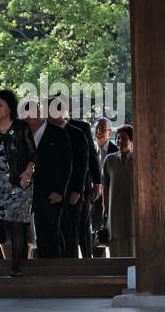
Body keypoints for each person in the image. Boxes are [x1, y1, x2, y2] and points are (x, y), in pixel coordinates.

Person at [0, 89, 36, 278]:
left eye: (0, 105)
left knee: (16, 225)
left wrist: (28, 173)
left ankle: (16, 265)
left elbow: (32, 154)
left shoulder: (21, 127)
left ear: (10, 107)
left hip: (18, 183)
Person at [54, 97, 101, 258]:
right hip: (59, 186)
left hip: (82, 185)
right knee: (66, 227)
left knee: (82, 225)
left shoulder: (81, 127)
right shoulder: (48, 128)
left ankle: (88, 258)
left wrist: (98, 182)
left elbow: (91, 157)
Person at [29, 96, 74, 259]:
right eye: (24, 116)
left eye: (30, 115)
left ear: (39, 113)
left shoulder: (57, 133)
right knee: (35, 234)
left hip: (52, 192)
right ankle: (39, 271)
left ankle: (56, 270)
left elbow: (66, 165)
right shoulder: (24, 135)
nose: (27, 119)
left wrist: (61, 191)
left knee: (50, 231)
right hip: (28, 193)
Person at [103, 125, 135, 256]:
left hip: (133, 208)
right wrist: (105, 208)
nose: (120, 141)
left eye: (124, 138)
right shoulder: (109, 160)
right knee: (115, 240)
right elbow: (105, 186)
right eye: (117, 138)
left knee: (133, 239)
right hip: (114, 210)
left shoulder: (138, 159)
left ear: (132, 141)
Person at [90, 116, 118, 253]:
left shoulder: (116, 151)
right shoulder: (90, 150)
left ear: (110, 132)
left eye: (102, 129)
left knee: (112, 234)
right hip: (93, 197)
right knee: (95, 235)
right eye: (96, 129)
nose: (98, 132)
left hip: (111, 197)